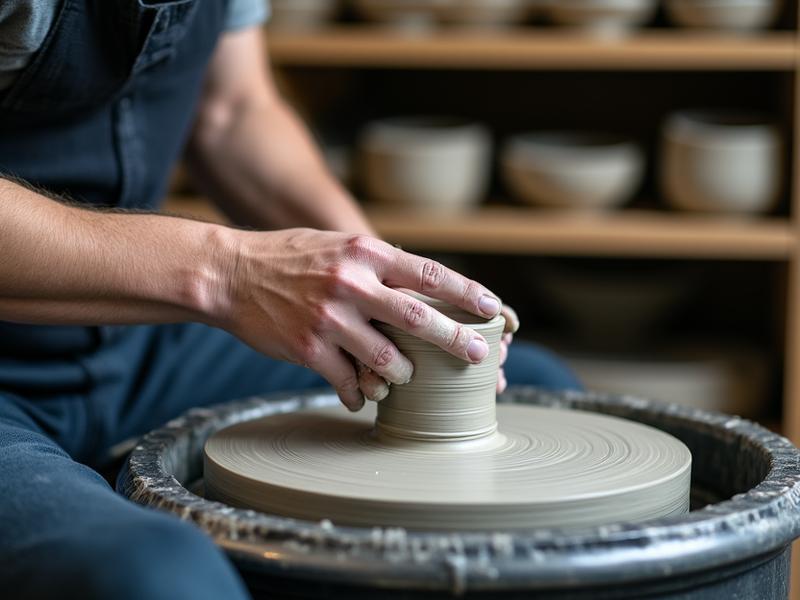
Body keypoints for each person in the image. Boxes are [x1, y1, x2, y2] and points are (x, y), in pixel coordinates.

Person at [0, 1, 580, 598]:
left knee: (541, 389)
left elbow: (233, 110)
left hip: (133, 335)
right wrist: (230, 273)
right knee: (155, 575)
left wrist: (379, 283)